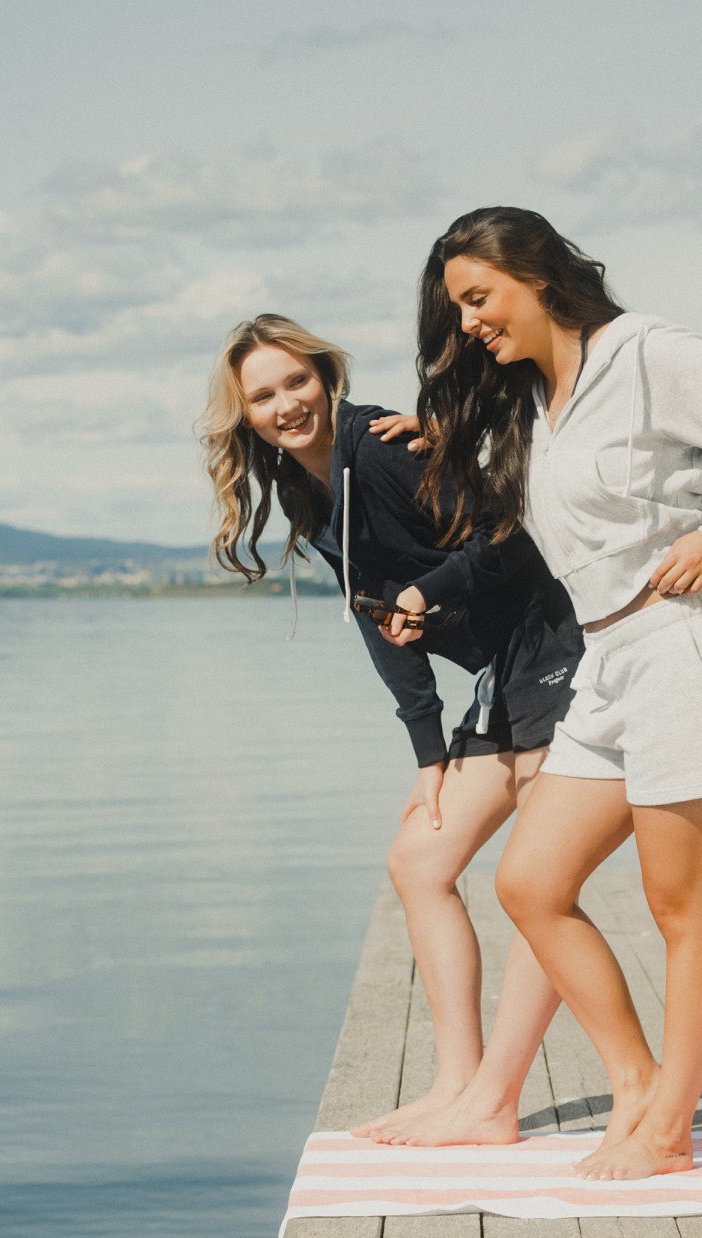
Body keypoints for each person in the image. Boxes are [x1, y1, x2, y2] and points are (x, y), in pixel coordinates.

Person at [409, 207, 702, 1179]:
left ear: (537, 274)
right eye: (459, 308)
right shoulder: (539, 401)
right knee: (530, 883)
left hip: (687, 649)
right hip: (606, 666)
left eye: (478, 297)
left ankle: (669, 1129)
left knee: (683, 907)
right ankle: (637, 1085)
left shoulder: (642, 353)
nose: (470, 321)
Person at [198, 312, 583, 1140]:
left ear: (324, 375)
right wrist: (427, 756)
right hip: (496, 676)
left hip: (551, 648)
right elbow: (378, 620)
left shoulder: (378, 445)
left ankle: (494, 1102)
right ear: (246, 415)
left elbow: (506, 534)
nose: (287, 403)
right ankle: (456, 1085)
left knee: (538, 884)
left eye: (296, 380)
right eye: (263, 395)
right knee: (418, 862)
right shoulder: (309, 492)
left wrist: (426, 592)